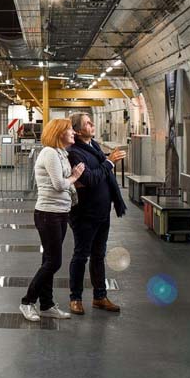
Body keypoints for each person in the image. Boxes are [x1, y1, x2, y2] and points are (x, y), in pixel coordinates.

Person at [19, 118, 84, 321]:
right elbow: (58, 184)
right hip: (48, 214)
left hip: (60, 212)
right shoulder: (49, 153)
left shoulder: (61, 154)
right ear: (59, 133)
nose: (73, 132)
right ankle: (27, 302)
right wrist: (74, 176)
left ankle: (46, 304)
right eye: (69, 130)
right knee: (54, 262)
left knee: (48, 260)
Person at [66, 112, 127, 315]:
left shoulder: (95, 147)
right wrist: (109, 163)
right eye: (87, 123)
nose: (92, 125)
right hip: (84, 213)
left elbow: (98, 175)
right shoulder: (74, 152)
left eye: (91, 122)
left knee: (99, 255)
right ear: (77, 130)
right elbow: (91, 179)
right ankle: (75, 298)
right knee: (81, 255)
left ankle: (100, 296)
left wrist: (106, 165)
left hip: (102, 212)